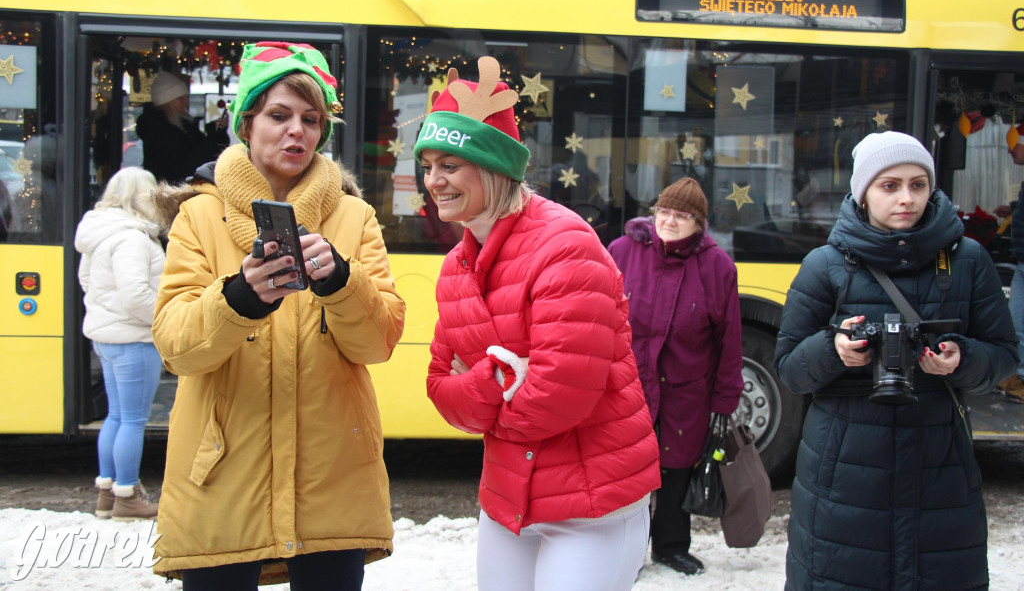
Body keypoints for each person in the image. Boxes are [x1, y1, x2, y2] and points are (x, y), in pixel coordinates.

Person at [150, 42, 406, 589]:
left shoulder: (354, 217)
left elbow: (378, 343)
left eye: (311, 119)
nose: (297, 132)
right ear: (247, 123)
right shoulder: (199, 214)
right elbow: (175, 346)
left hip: (333, 483)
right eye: (279, 115)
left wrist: (342, 282)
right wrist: (240, 298)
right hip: (222, 482)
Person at [417, 57, 661, 591]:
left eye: (450, 165)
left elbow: (561, 397)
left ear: (492, 166)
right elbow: (439, 389)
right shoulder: (455, 267)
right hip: (507, 498)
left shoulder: (565, 246)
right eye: (428, 165)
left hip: (593, 504)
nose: (434, 181)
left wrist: (480, 393)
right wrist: (498, 378)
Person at [774, 131, 1016, 590]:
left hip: (940, 471)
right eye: (890, 186)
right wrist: (835, 349)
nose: (907, 199)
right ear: (862, 193)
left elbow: (1004, 357)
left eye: (918, 185)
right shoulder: (825, 265)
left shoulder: (967, 260)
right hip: (842, 477)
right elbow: (789, 368)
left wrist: (961, 359)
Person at [607, 177, 743, 576]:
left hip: (687, 392)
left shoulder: (718, 267)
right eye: (663, 212)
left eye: (681, 216)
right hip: (629, 388)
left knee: (675, 470)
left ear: (699, 223)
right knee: (625, 475)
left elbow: (729, 342)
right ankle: (621, 552)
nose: (669, 221)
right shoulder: (622, 251)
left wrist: (724, 402)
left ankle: (670, 546)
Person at [74, 167, 166, 522]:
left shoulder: (100, 231)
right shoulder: (132, 237)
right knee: (133, 420)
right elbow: (136, 295)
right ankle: (128, 496)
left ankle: (107, 493)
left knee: (115, 416)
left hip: (106, 336)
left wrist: (107, 309)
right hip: (134, 339)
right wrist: (165, 317)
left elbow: (87, 281)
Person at [136, 71, 229, 184]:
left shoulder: (182, 125)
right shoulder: (160, 131)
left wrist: (218, 132)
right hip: (171, 192)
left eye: (186, 97)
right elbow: (188, 165)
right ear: (168, 101)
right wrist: (212, 136)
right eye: (181, 98)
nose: (186, 102)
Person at [993, 133, 1024, 403]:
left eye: (1016, 143)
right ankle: (1015, 377)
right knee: (1016, 323)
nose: (1010, 151)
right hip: (1022, 261)